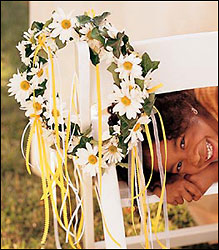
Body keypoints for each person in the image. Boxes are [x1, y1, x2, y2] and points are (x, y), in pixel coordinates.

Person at [142, 86, 218, 205]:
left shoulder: (213, 93)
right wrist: (164, 184)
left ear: (185, 110)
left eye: (182, 143)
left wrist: (213, 172)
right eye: (179, 165)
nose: (195, 159)